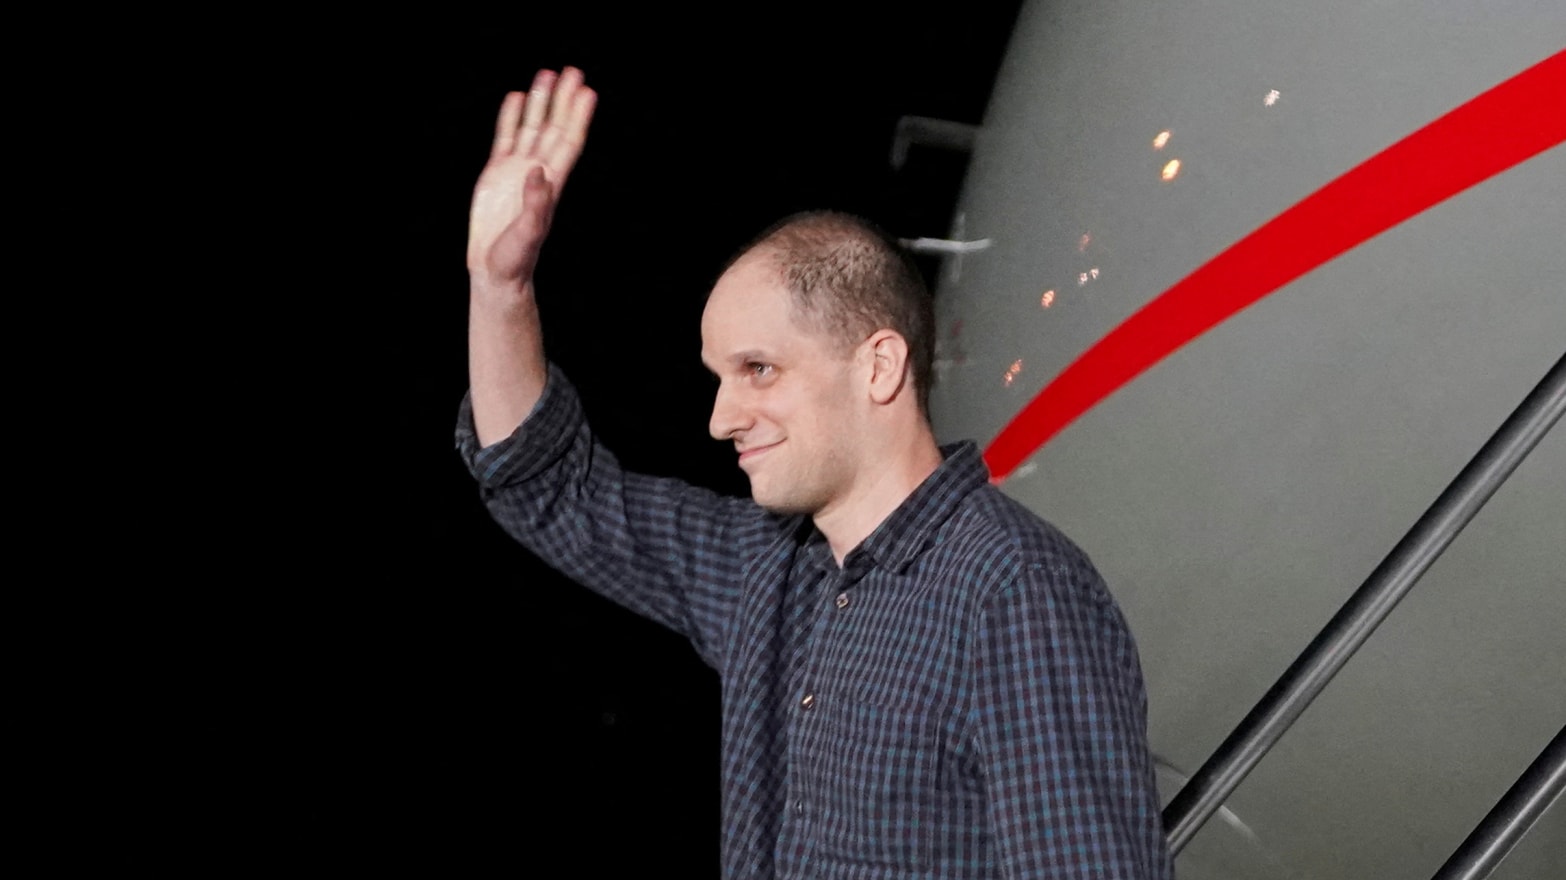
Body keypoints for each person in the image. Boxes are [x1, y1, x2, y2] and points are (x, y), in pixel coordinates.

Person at [456, 67, 1175, 879]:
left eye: (759, 369)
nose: (720, 418)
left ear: (878, 367)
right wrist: (500, 286)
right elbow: (545, 486)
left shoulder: (1015, 592)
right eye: (719, 377)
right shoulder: (769, 569)